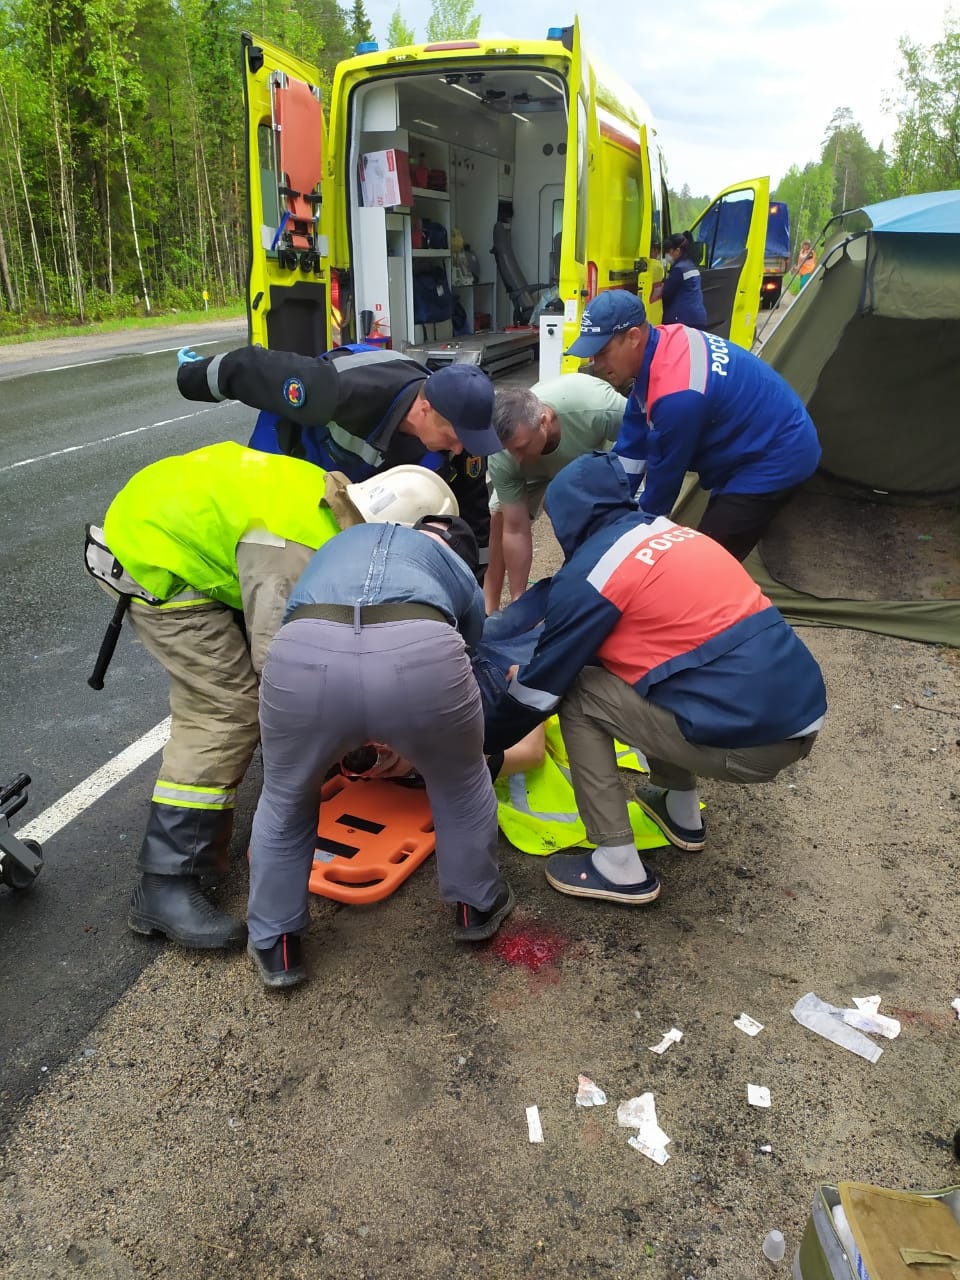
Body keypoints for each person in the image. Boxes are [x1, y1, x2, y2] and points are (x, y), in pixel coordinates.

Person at [85, 442, 458, 950]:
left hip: (180, 525)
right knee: (226, 709)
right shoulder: (297, 551)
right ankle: (165, 883)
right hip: (155, 559)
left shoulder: (333, 503)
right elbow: (282, 669)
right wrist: (351, 735)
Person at [483, 451, 827, 906]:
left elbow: (537, 695)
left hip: (750, 744)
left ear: (567, 518)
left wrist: (480, 744)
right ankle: (678, 809)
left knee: (579, 694)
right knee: (647, 673)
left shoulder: (592, 576)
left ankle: (618, 865)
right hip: (801, 715)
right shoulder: (676, 534)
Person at [246, 516, 515, 988]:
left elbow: (288, 615)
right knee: (461, 784)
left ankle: (277, 943)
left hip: (305, 654)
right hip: (420, 653)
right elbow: (473, 645)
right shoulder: (451, 563)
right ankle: (477, 906)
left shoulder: (340, 541)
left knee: (286, 796)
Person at [175, 344, 499, 574]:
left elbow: (473, 521)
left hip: (357, 480)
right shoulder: (339, 389)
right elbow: (251, 368)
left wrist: (469, 596)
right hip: (291, 452)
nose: (460, 449)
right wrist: (190, 376)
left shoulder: (463, 430)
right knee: (275, 553)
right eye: (454, 438)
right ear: (426, 410)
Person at [565, 290, 821, 561]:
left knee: (706, 563)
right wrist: (608, 513)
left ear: (633, 337)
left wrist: (625, 545)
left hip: (777, 455)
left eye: (603, 352)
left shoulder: (677, 395)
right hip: (754, 437)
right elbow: (630, 448)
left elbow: (659, 494)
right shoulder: (657, 349)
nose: (597, 365)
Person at [484, 374, 627, 611]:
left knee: (593, 521)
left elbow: (644, 443)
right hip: (536, 467)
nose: (516, 457)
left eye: (520, 447)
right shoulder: (504, 454)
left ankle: (596, 593)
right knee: (500, 519)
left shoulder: (599, 407)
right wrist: (520, 598)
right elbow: (516, 528)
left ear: (544, 421)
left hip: (587, 457)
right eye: (510, 450)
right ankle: (491, 609)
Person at [660, 231, 707, 329]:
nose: (667, 255)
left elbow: (666, 293)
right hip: (697, 317)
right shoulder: (690, 265)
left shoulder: (678, 269)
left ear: (677, 251)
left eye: (668, 251)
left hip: (683, 320)